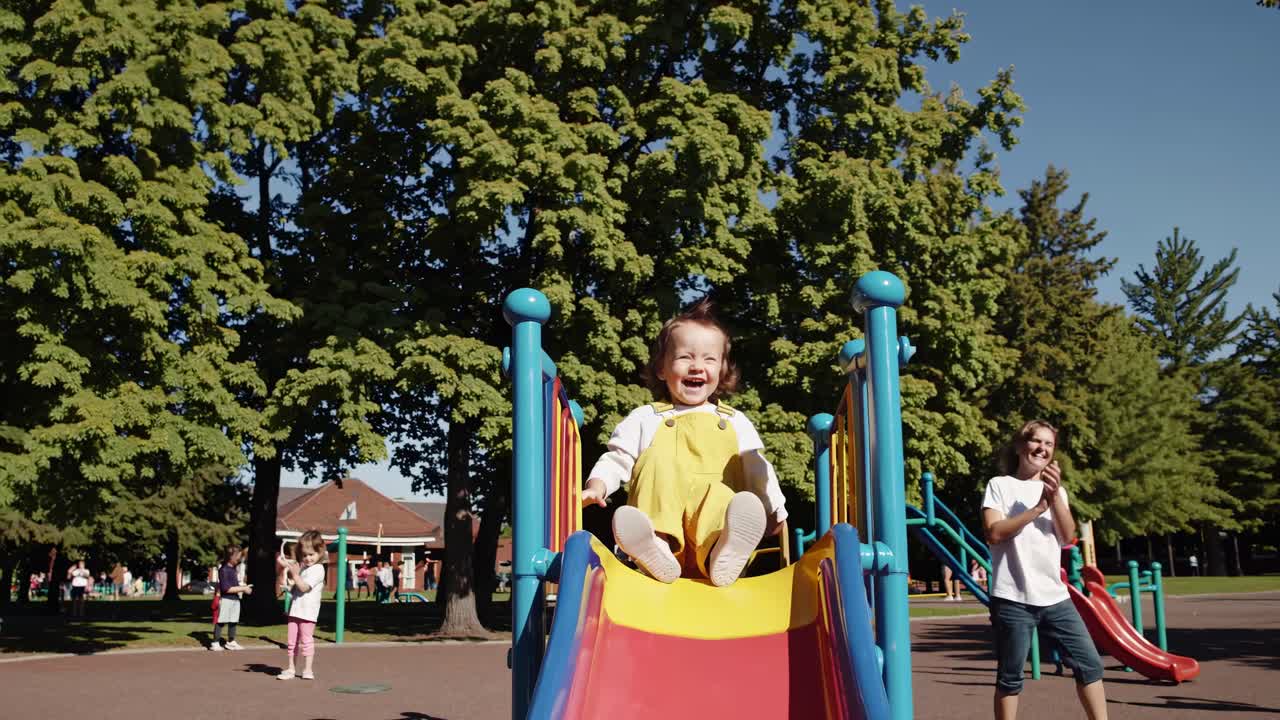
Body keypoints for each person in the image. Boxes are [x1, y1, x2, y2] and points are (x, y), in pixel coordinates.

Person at [582, 298, 787, 587]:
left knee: (724, 494)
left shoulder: (735, 421)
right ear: (662, 369)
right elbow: (617, 458)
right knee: (655, 463)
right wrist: (597, 486)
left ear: (722, 371)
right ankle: (654, 545)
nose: (696, 366)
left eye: (709, 359)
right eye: (685, 357)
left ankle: (724, 550)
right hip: (662, 540)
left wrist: (774, 508)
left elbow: (757, 467)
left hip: (713, 542)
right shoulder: (645, 418)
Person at [982, 420, 1107, 720]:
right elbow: (994, 533)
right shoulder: (1000, 485)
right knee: (1011, 677)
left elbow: (1067, 537)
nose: (1042, 448)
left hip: (1054, 596)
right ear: (1020, 445)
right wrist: (1037, 509)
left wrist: (1054, 497)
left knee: (1089, 665)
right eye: (1036, 441)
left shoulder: (1057, 493)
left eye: (1049, 444)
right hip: (1012, 597)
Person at [278, 530, 327, 680]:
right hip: (295, 610)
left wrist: (295, 575)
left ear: (320, 552)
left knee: (306, 641)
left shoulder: (318, 569)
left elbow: (305, 587)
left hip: (308, 613)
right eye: (305, 555)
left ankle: (307, 670)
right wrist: (289, 586)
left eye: (311, 554)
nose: (307, 558)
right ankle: (291, 669)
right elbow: (297, 588)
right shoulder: (304, 568)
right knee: (291, 642)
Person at [211, 545, 253, 651]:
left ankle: (231, 641)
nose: (239, 559)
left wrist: (243, 588)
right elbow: (226, 589)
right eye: (238, 556)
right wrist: (243, 588)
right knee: (221, 621)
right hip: (226, 599)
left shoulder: (233, 569)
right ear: (231, 556)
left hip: (235, 599)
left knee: (233, 621)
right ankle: (215, 642)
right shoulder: (224, 570)